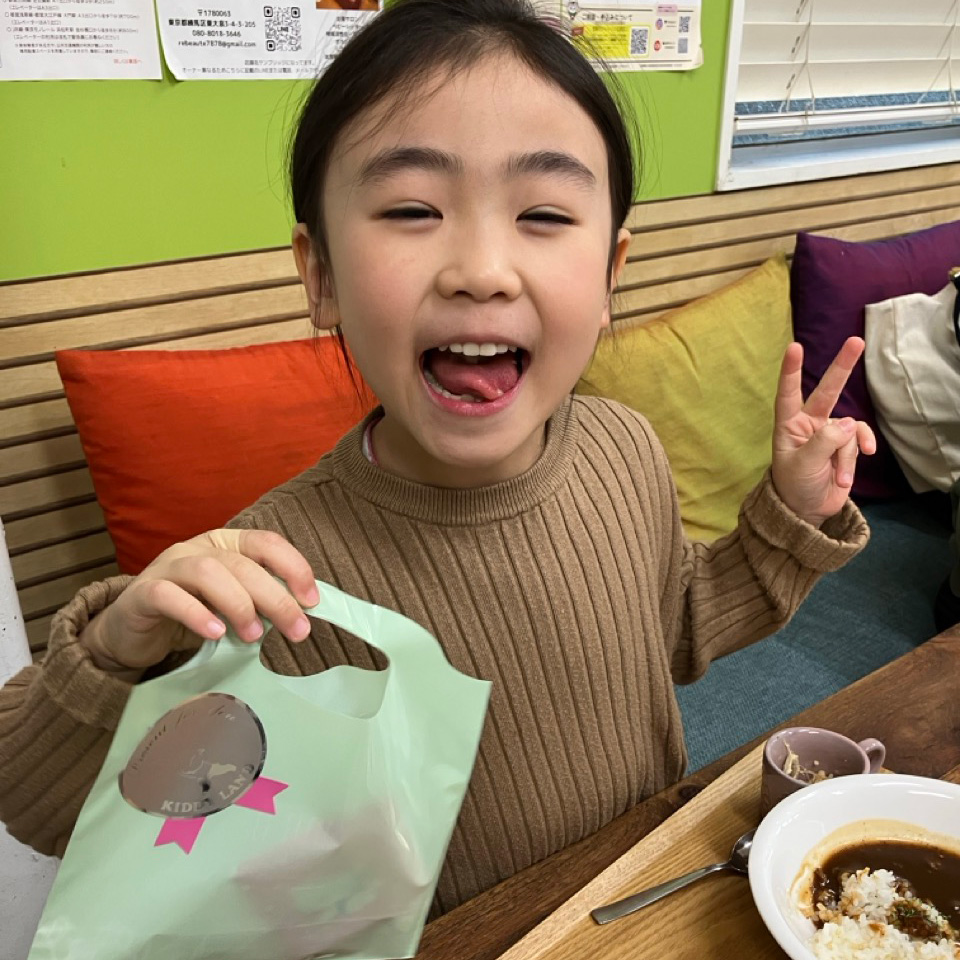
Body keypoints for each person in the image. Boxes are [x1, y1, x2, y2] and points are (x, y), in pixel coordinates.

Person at [0, 0, 873, 917]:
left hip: (632, 903)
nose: (482, 270)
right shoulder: (273, 578)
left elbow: (677, 627)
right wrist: (116, 649)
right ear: (320, 275)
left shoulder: (625, 448)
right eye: (413, 209)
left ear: (612, 274)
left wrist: (788, 513)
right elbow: (43, 806)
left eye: (544, 213)